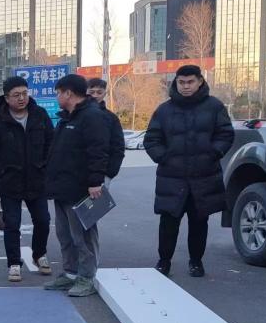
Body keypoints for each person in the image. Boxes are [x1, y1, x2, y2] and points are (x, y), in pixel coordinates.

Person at [142, 65, 235, 277]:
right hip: (172, 177)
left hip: (203, 176)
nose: (185, 86)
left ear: (200, 81)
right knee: (168, 223)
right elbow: (152, 139)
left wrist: (213, 153)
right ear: (176, 83)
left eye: (190, 82)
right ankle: (164, 261)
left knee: (199, 222)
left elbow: (225, 134)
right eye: (181, 82)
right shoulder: (164, 110)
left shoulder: (214, 107)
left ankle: (196, 262)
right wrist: (163, 157)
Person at [0, 76, 54, 283]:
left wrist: (45, 167)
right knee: (12, 224)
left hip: (36, 179)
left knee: (43, 220)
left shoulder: (39, 115)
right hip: (10, 181)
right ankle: (14, 263)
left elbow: (51, 142)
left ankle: (39, 254)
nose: (22, 98)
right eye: (16, 95)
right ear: (7, 98)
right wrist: (0, 172)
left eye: (24, 93)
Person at [42, 74, 110, 297]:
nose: (57, 98)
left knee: (83, 236)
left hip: (80, 188)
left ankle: (86, 277)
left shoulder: (91, 116)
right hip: (62, 187)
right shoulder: (67, 118)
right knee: (65, 234)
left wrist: (95, 181)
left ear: (68, 93)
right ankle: (70, 273)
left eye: (58, 93)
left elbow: (98, 151)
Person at [86, 78, 126, 181]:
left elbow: (118, 147)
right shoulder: (76, 114)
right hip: (75, 175)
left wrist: (109, 174)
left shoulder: (111, 118)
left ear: (105, 93)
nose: (95, 95)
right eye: (91, 92)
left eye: (99, 92)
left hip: (102, 175)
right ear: (85, 92)